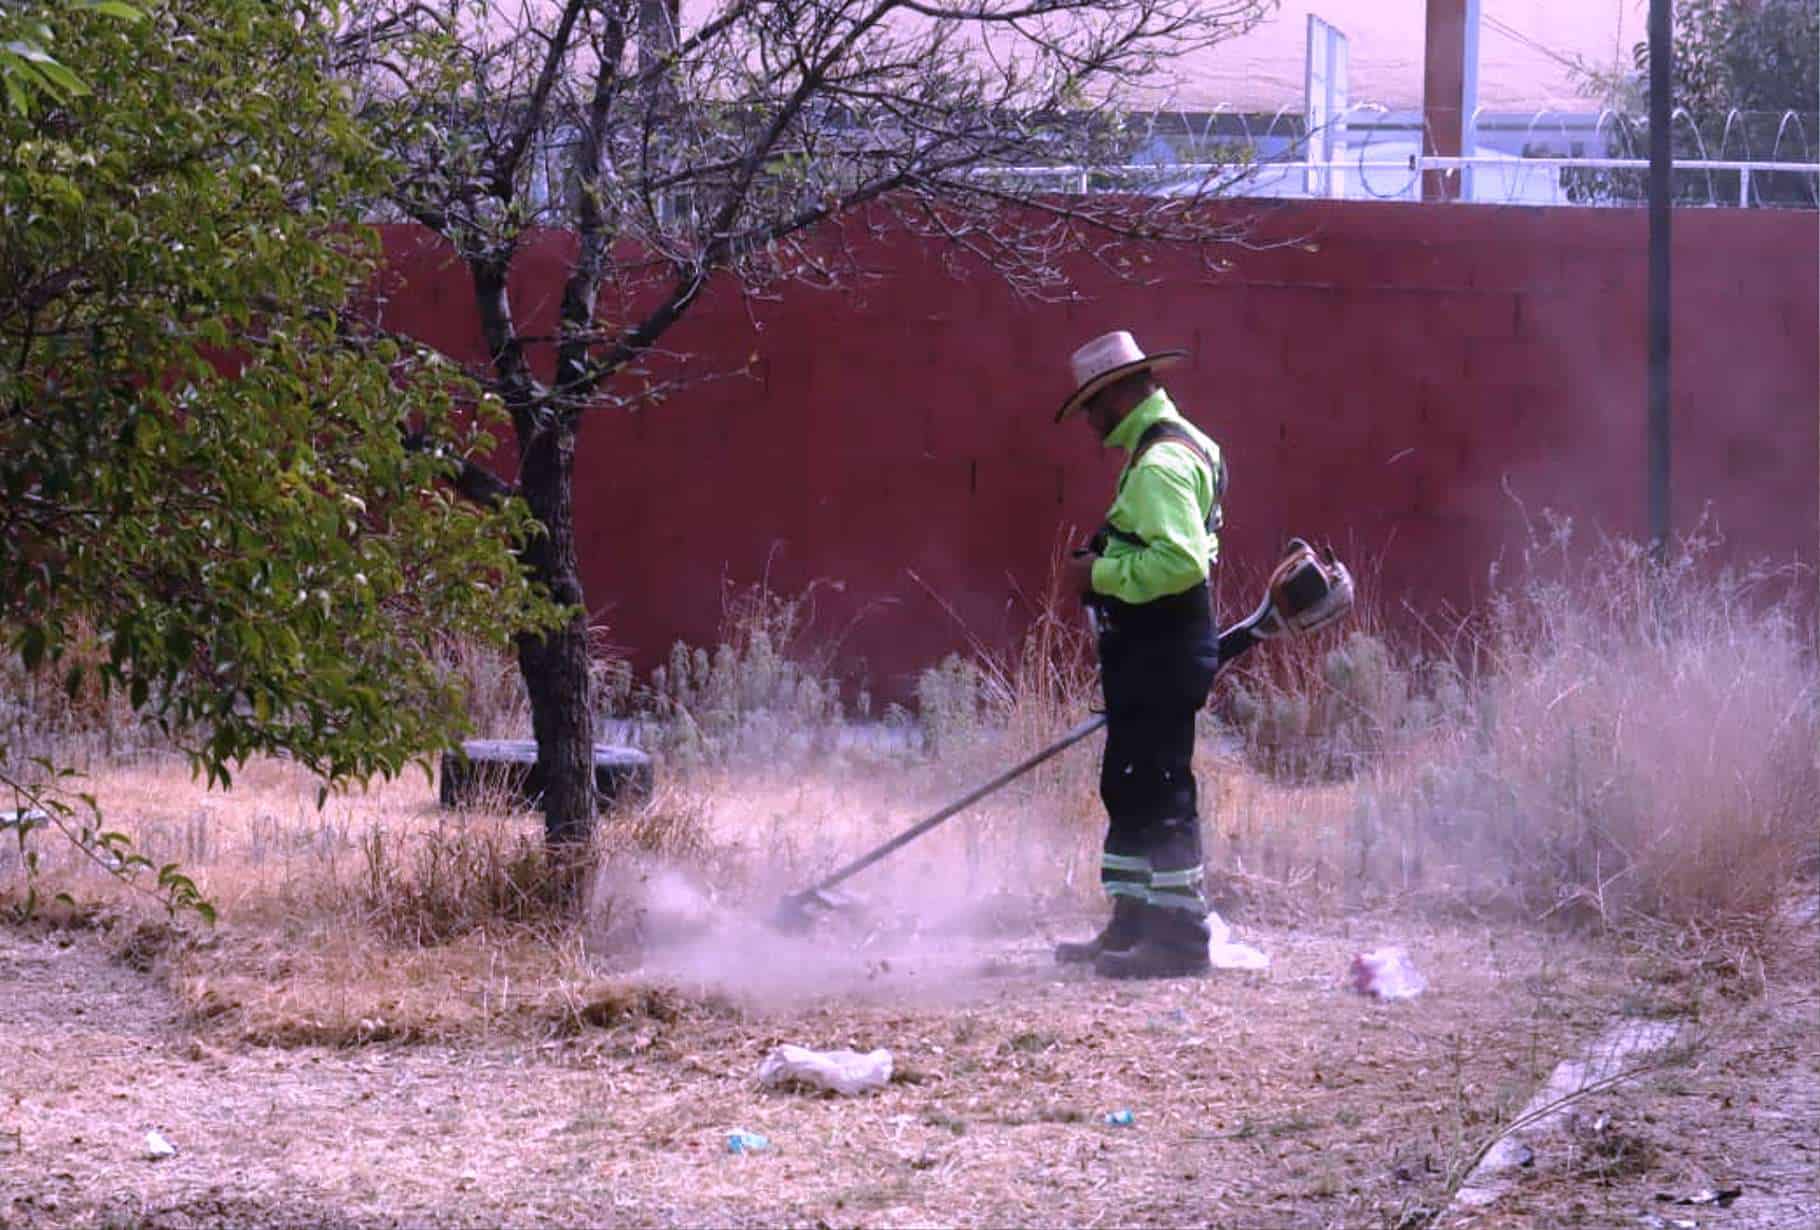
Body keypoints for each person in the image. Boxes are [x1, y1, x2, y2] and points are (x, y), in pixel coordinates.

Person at [1054, 330, 1224, 979]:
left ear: (1125, 392)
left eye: (1096, 403)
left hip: (1161, 644)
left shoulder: (1159, 464)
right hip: (1156, 647)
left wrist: (1096, 576)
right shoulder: (1186, 444)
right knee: (1128, 785)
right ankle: (1132, 925)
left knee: (1159, 790)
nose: (1092, 419)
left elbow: (1181, 562)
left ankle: (1178, 939)